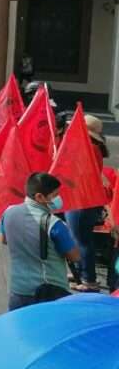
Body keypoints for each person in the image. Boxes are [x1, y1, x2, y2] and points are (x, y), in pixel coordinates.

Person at [0, 172, 81, 310]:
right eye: (55, 195)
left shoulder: (8, 212)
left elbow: (4, 240)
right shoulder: (54, 224)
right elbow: (74, 256)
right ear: (39, 197)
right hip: (48, 291)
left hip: (18, 289)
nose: (58, 199)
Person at [64, 114, 108, 292]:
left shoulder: (88, 148)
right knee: (80, 238)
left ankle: (88, 279)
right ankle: (82, 272)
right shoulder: (93, 147)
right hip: (83, 199)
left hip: (82, 200)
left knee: (81, 239)